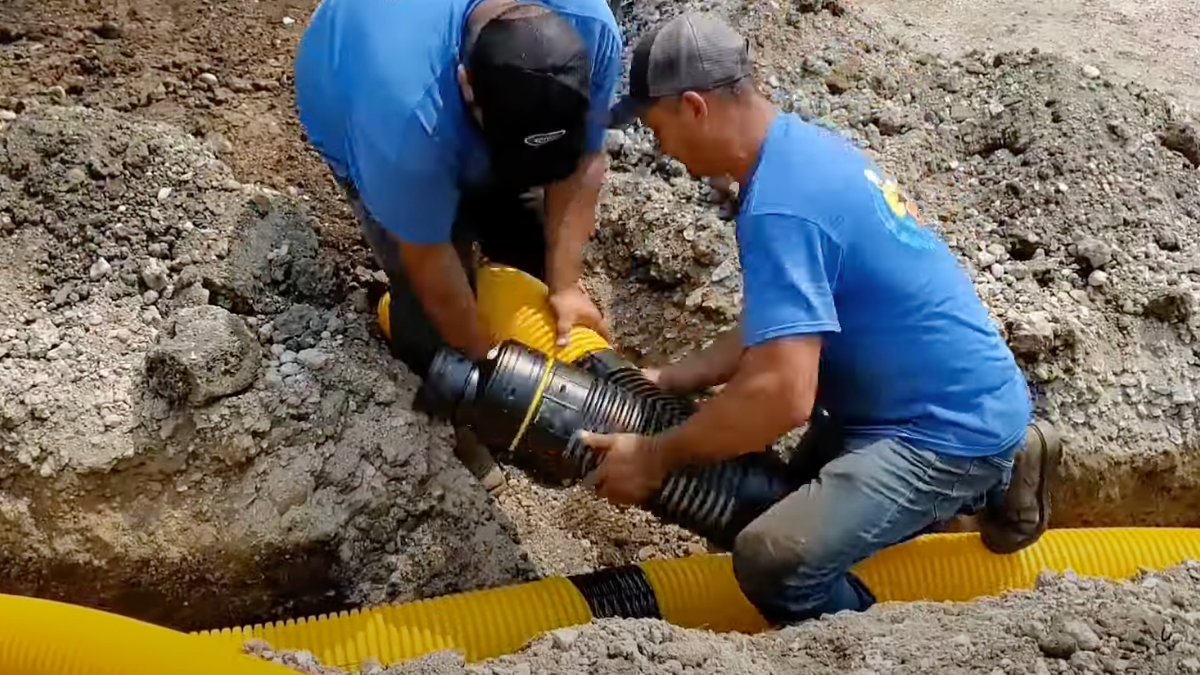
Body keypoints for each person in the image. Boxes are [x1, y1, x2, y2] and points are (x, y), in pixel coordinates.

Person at [580, 12, 1063, 626]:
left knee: (774, 558)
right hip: (910, 400)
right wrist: (677, 378)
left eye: (657, 128)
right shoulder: (795, 153)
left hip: (941, 434)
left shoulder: (783, 206)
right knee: (768, 507)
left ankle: (888, 642)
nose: (663, 149)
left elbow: (783, 397)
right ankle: (1003, 466)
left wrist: (654, 458)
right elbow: (781, 318)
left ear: (695, 108)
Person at [293, 0, 623, 492]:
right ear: (468, 86)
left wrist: (565, 283)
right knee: (431, 315)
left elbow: (582, 165)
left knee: (529, 237)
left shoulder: (591, 33)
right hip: (350, 95)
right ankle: (456, 426)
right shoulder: (404, 121)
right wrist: (496, 375)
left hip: (473, 115)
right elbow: (429, 263)